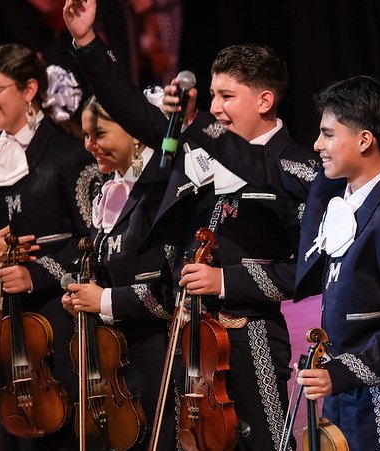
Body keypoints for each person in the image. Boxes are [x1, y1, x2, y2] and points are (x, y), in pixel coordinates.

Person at [64, 1, 316, 449]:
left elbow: (309, 271)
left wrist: (226, 280)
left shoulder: (296, 167)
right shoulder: (198, 150)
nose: (215, 108)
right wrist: (87, 41)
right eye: (213, 95)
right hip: (191, 337)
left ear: (264, 100)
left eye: (227, 97)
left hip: (250, 336)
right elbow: (130, 112)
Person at [294, 75, 380, 451]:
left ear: (365, 140)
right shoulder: (342, 195)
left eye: (328, 134)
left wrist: (337, 375)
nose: (317, 145)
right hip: (340, 394)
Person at [0, 43, 100, 450]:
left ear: (29, 90)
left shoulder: (68, 155)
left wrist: (35, 274)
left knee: (59, 429)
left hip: (55, 319)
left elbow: (94, 241)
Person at [60, 95, 176, 449]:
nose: (89, 145)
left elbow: (171, 296)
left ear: (137, 133)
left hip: (162, 357)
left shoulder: (164, 190)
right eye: (84, 135)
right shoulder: (105, 188)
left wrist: (105, 299)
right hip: (118, 361)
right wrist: (86, 296)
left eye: (99, 134)